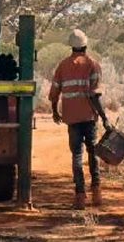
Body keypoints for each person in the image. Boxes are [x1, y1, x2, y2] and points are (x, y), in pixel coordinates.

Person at [48, 29, 113, 210]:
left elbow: (54, 93)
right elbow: (95, 96)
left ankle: (80, 196)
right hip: (89, 118)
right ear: (85, 45)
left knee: (76, 155)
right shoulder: (93, 64)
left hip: (72, 118)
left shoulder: (62, 66)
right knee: (93, 153)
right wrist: (104, 117)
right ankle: (96, 193)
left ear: (71, 46)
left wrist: (55, 112)